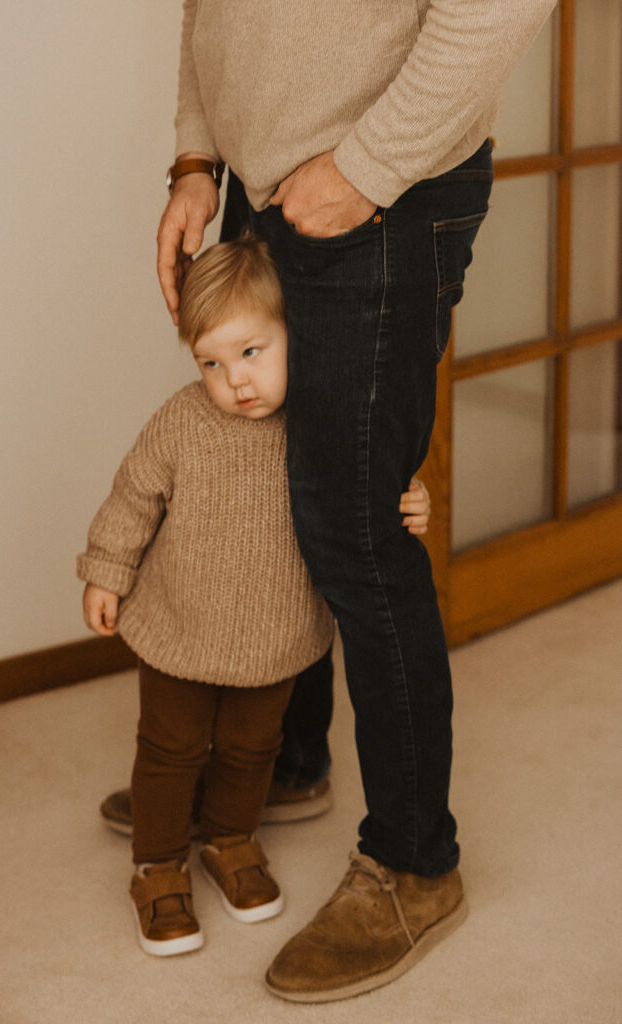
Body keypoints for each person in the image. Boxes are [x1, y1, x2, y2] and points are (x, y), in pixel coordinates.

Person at [147, 0, 558, 1001]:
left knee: (356, 531)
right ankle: (285, 758)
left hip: (378, 195)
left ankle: (415, 863)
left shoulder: (367, 181)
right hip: (269, 190)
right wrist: (196, 163)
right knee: (281, 493)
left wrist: (363, 172)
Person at [78, 235, 431, 957]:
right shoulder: (182, 421)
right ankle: (158, 863)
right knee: (170, 750)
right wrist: (106, 571)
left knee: (250, 750)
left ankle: (232, 840)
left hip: (275, 636)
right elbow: (132, 498)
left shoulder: (322, 419)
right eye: (212, 361)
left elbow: (370, 481)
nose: (234, 379)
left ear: (295, 332)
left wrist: (410, 498)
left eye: (251, 353)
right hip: (180, 626)